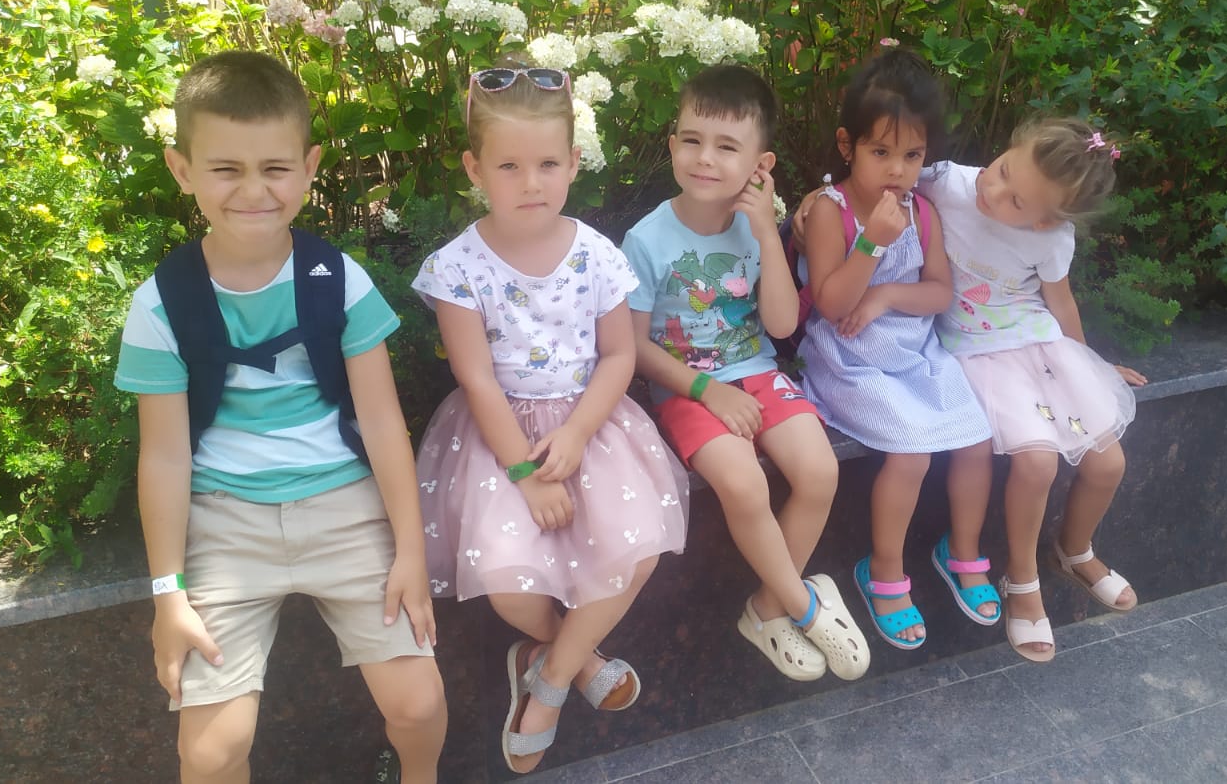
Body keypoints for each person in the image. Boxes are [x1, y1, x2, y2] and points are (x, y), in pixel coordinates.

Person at [116, 51, 446, 784]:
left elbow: (384, 422)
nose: (254, 190)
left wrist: (411, 552)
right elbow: (164, 458)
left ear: (309, 166)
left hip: (346, 509)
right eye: (225, 169)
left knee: (419, 704)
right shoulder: (161, 303)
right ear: (182, 169)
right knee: (211, 753)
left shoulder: (337, 279)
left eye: (275, 166)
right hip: (226, 523)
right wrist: (167, 597)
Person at [412, 63, 688, 775]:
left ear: (573, 163)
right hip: (500, 435)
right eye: (508, 165)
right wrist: (528, 473)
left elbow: (619, 357)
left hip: (590, 423)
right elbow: (473, 375)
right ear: (475, 168)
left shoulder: (596, 254)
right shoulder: (458, 268)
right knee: (505, 578)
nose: (530, 182)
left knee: (637, 548)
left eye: (546, 163)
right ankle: (574, 654)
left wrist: (573, 433)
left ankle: (551, 679)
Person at [622, 65, 870, 684]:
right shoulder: (646, 241)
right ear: (673, 143)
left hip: (757, 368)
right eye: (691, 140)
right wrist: (707, 389)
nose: (705, 159)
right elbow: (630, 348)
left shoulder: (756, 228)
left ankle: (764, 609)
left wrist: (765, 233)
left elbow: (782, 326)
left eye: (727, 147)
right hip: (686, 386)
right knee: (743, 485)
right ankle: (807, 604)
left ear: (761, 164)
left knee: (819, 471)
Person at [918, 117, 1148, 663]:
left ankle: (1073, 549)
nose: (992, 192)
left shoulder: (1051, 239)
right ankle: (1021, 581)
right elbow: (880, 175)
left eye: (1016, 201)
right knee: (1038, 461)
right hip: (977, 353)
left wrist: (1092, 363)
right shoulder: (947, 183)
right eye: (1000, 171)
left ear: (1046, 221)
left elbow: (1059, 302)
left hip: (1038, 347)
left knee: (1107, 464)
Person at [797, 50, 998, 652]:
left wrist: (885, 293)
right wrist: (872, 247)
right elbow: (832, 305)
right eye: (880, 152)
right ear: (847, 146)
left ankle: (961, 550)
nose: (896, 170)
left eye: (912, 156)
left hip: (915, 353)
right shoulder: (831, 214)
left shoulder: (924, 212)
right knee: (910, 454)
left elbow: (939, 293)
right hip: (848, 360)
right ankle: (883, 570)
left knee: (976, 437)